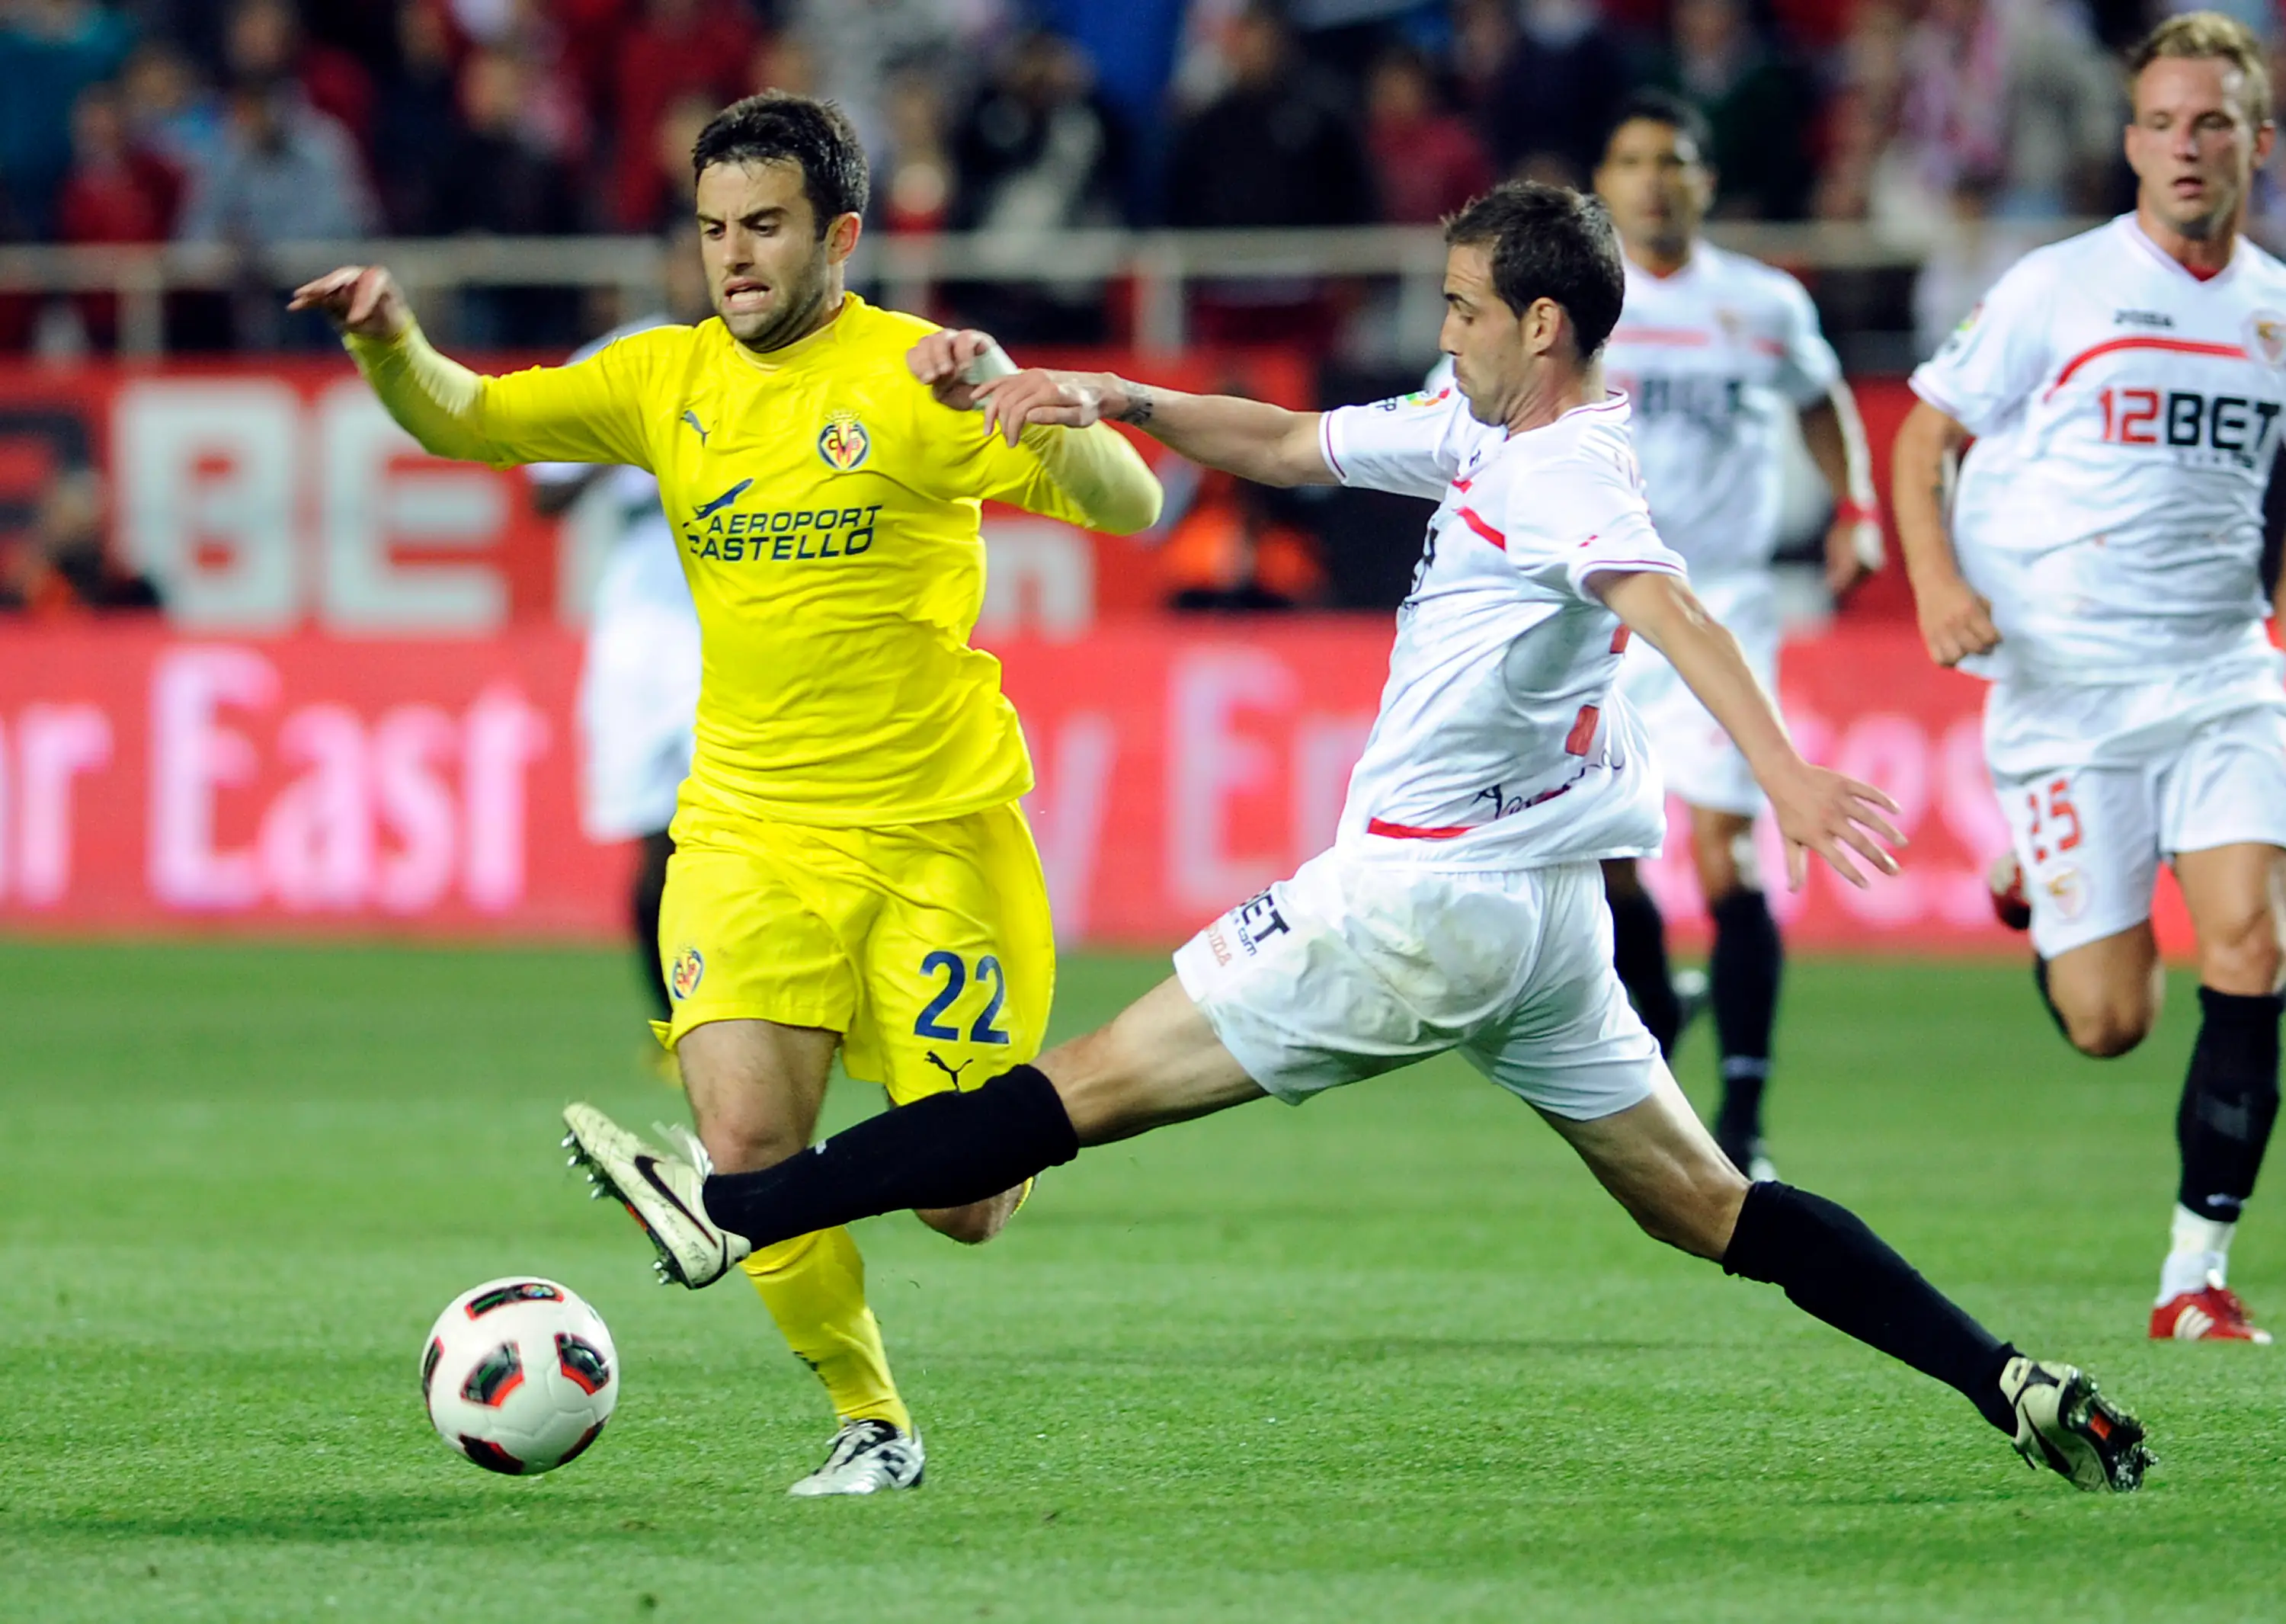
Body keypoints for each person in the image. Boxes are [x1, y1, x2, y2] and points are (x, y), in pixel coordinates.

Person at [565, 180, 2153, 1496]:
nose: (1439, 329)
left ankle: (737, 1209)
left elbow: (1662, 602)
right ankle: (2003, 1377)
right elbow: (1287, 443)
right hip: (1545, 931)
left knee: (1070, 1093)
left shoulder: (1560, 471)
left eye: (1462, 309)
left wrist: (1786, 770)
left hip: (1415, 908)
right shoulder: (1484, 433)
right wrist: (1114, 396)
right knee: (1711, 1206)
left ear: (1539, 325)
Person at [292, 91, 1161, 1494]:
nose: (734, 259)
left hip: (936, 837)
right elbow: (473, 423)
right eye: (713, 231)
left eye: (764, 228)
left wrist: (1023, 389)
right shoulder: (664, 376)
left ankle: (793, 1204)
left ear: (842, 236)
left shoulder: (919, 381)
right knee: (751, 1140)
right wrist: (390, 343)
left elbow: (1130, 504)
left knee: (967, 1204)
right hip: (748, 833)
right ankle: (870, 1420)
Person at [1894, 11, 2286, 1345]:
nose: (2189, 145)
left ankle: (2195, 1275)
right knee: (2110, 1020)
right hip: (2071, 697)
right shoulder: (2056, 287)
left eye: (2215, 123)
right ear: (2130, 142)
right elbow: (1921, 441)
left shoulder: (2279, 313)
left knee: (2252, 943)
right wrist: (1939, 584)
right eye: (2166, 123)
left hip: (2225, 675)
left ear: (2257, 142)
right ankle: (2040, 890)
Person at [1590, 90, 1883, 1180]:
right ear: (1604, 184)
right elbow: (1465, 399)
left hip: (1726, 603)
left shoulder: (1760, 303)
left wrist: (1856, 508)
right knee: (1612, 860)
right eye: (1631, 159)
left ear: (1705, 182)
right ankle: (1664, 1017)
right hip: (1604, 606)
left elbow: (1820, 398)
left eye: (1673, 159)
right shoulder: (1574, 302)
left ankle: (1745, 1111)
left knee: (1726, 847)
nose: (1654, 178)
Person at [526, 239, 713, 1044]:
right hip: (644, 594)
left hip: (738, 585)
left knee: (737, 824)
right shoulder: (620, 359)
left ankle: (761, 1010)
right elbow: (545, 492)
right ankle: (673, 1023)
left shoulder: (778, 359)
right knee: (653, 834)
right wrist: (622, 440)